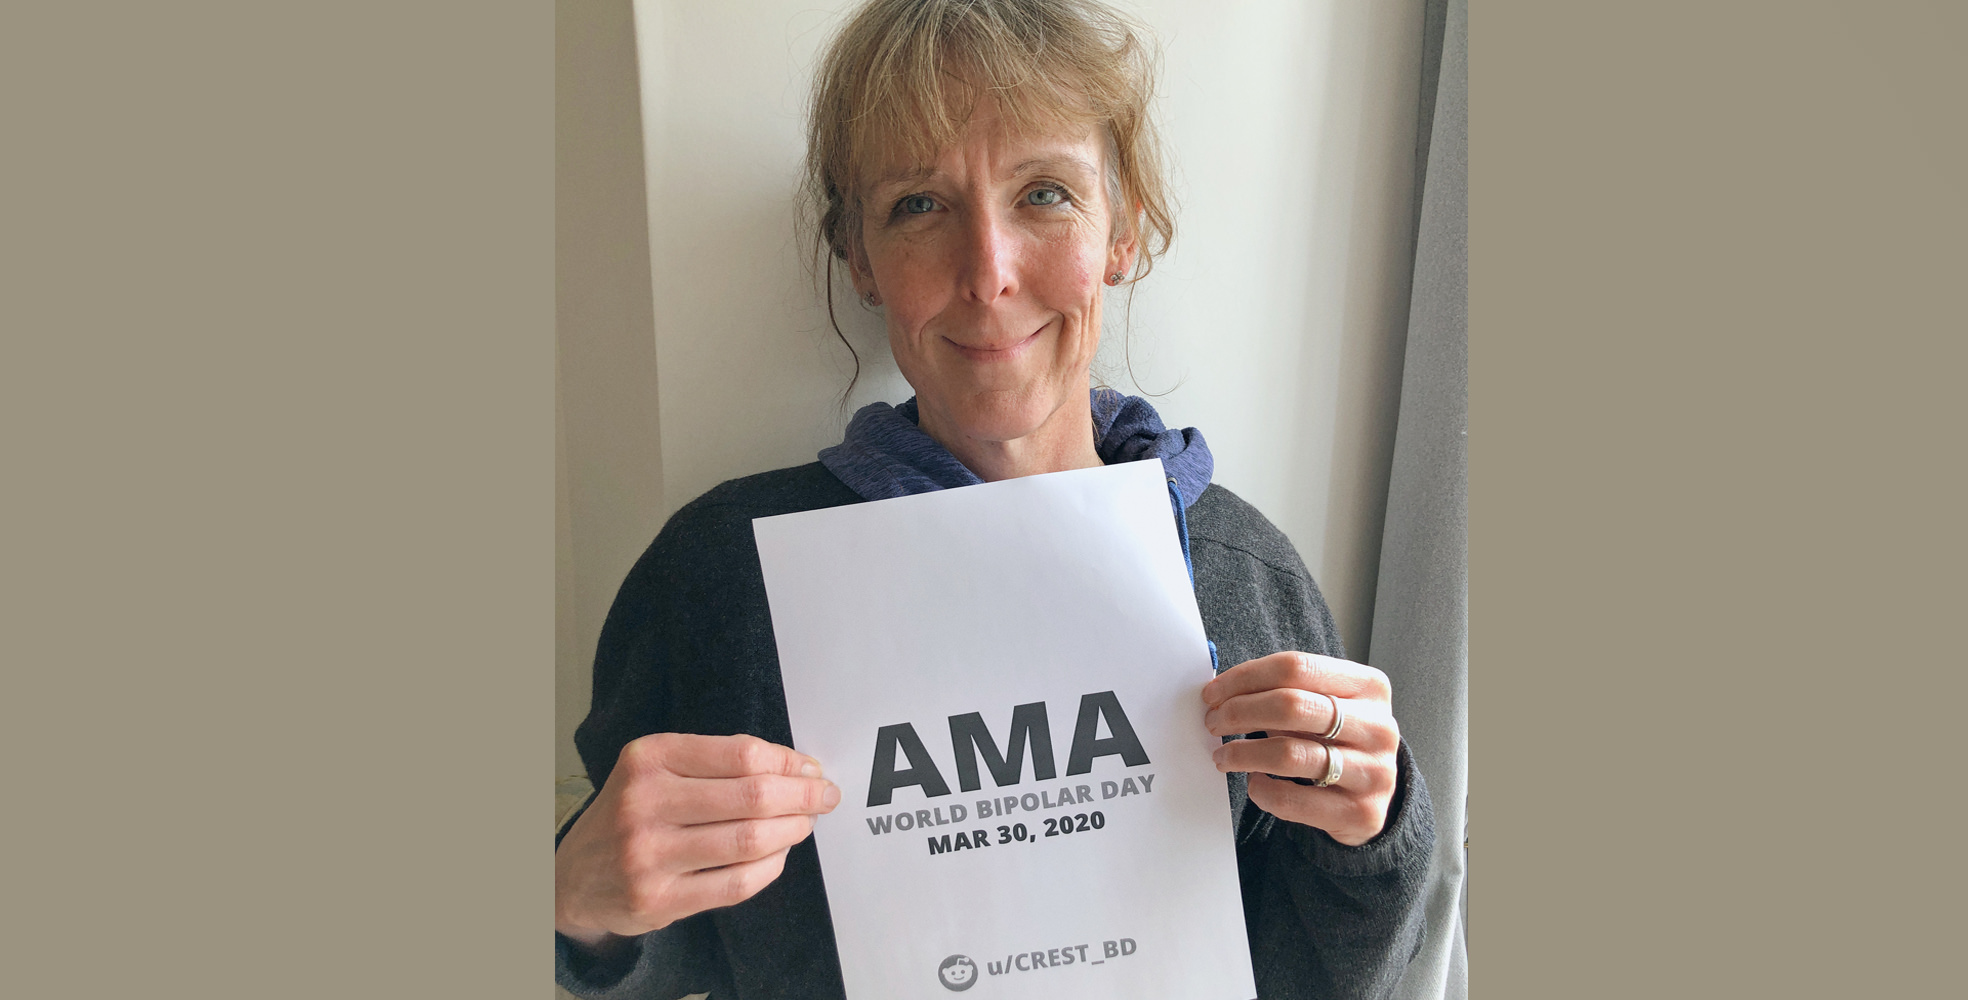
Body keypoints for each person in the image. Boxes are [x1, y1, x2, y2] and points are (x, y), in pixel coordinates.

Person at [554, 1, 1433, 997]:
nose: (987, 272)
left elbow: (1309, 973)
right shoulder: (722, 574)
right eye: (917, 207)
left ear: (1122, 230)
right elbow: (668, 948)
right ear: (860, 260)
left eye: (1045, 193)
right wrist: (574, 909)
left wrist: (1372, 827)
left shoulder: (1241, 570)